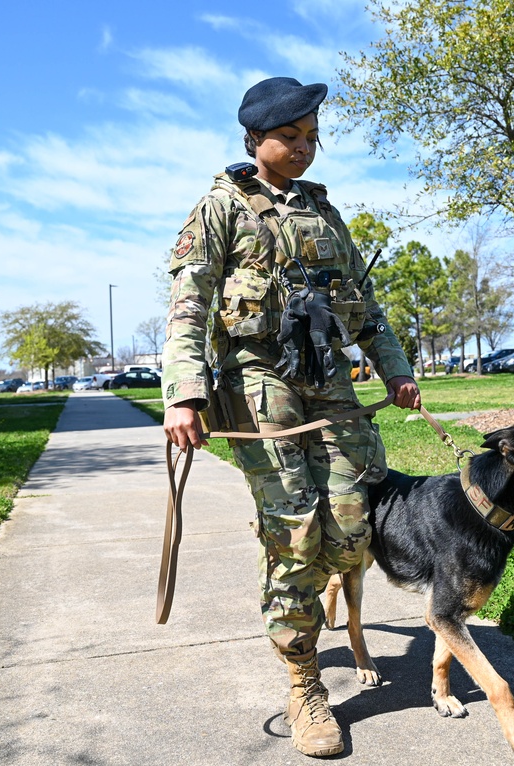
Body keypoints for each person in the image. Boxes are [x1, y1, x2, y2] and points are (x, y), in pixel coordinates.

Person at [162, 76, 420, 758]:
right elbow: (191, 300)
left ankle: (301, 569)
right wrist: (184, 390)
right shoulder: (220, 207)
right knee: (297, 532)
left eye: (313, 138)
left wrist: (394, 369)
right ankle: (305, 682)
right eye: (291, 137)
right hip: (258, 383)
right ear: (254, 139)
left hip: (330, 383)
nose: (306, 149)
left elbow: (363, 302)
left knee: (353, 525)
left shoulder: (324, 213)